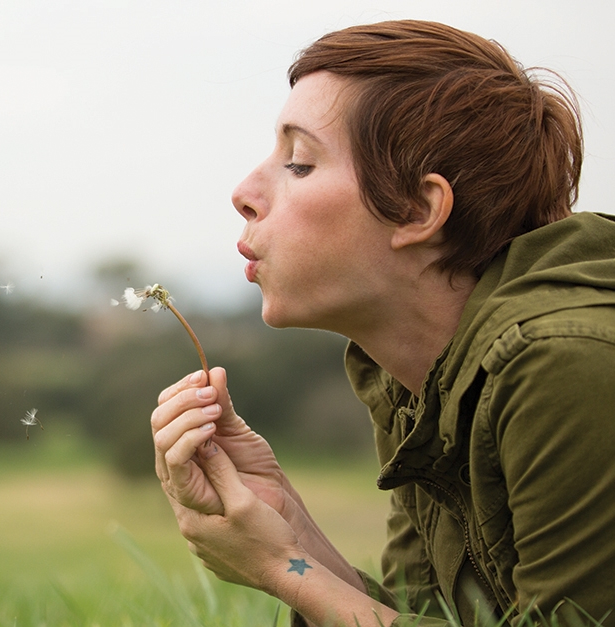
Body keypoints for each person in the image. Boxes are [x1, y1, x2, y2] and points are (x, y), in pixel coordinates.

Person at [151, 20, 615, 627]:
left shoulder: (565, 362)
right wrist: (291, 529)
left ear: (418, 210)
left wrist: (283, 569)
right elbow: (425, 616)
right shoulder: (416, 376)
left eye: (299, 163)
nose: (244, 192)